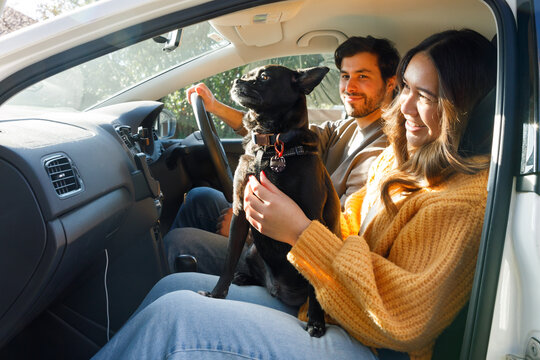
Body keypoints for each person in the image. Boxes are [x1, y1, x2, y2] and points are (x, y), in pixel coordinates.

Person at [90, 28, 496, 360]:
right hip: (329, 297)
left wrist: (300, 232)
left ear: (465, 106)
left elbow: (404, 318)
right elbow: (346, 218)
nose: (404, 105)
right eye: (406, 88)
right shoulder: (399, 156)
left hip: (373, 344)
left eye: (424, 95)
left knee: (173, 319)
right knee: (170, 291)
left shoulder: (463, 203)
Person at [165, 36, 400, 273]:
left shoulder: (384, 153)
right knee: (199, 198)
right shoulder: (344, 127)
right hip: (273, 225)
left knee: (179, 243)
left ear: (390, 84)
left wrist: (250, 233)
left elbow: (345, 231)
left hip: (294, 259)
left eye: (362, 76)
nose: (349, 87)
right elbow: (272, 136)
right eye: (345, 76)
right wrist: (215, 107)